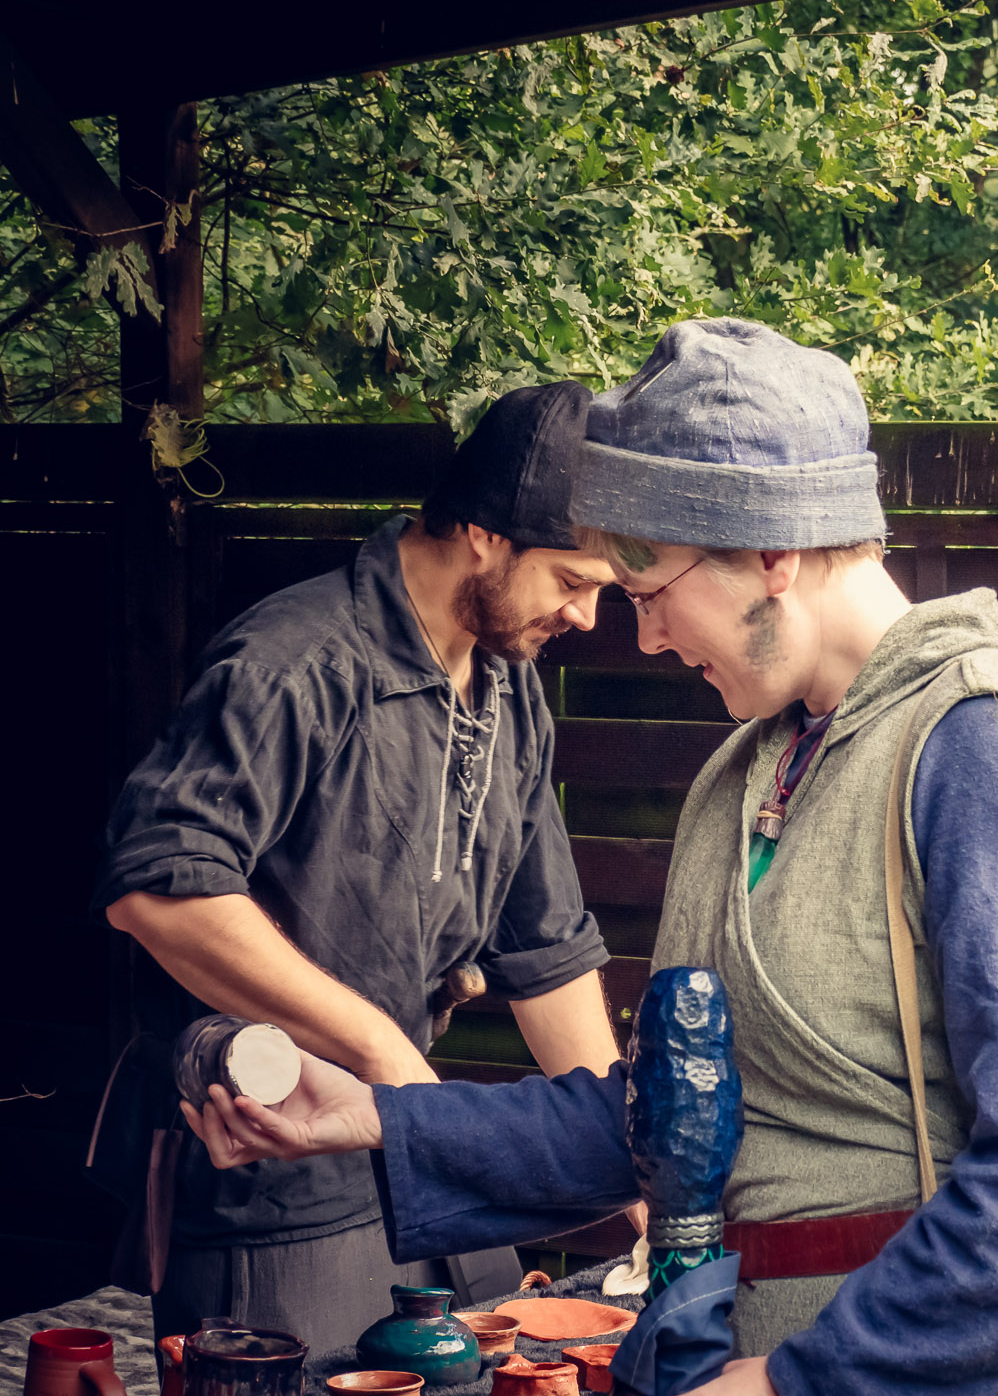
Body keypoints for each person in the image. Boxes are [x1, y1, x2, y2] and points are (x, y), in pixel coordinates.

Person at [181, 320, 998, 1396]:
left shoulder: (984, 751)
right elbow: (664, 1115)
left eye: (649, 592)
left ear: (772, 553)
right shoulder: (745, 773)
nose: (641, 638)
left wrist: (796, 1383)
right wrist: (372, 1115)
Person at [93, 381, 636, 1353]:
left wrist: (638, 1173)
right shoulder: (293, 661)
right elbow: (158, 891)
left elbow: (548, 952)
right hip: (275, 1185)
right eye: (571, 580)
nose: (588, 617)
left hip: (427, 1159)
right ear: (484, 535)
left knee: (513, 1362)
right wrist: (384, 1054)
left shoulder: (511, 689)